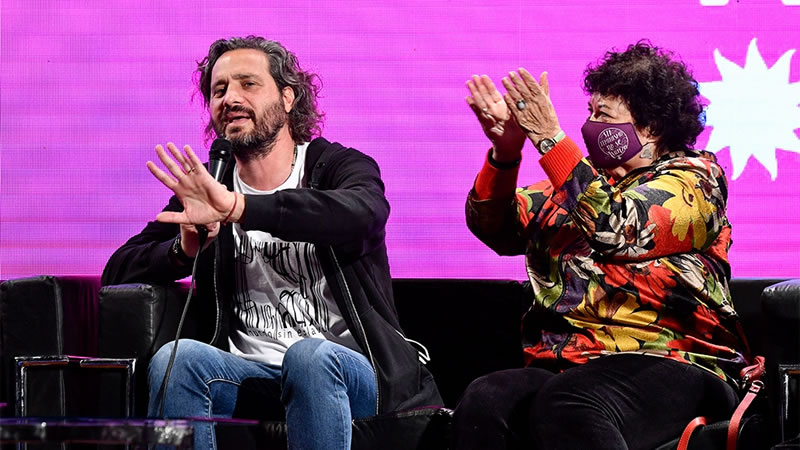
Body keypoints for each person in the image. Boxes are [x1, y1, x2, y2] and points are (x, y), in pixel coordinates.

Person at [102, 36, 441, 450]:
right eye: (219, 90)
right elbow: (117, 270)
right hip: (253, 376)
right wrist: (183, 250)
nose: (230, 98)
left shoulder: (335, 167)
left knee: (309, 357)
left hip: (351, 371)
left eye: (248, 84)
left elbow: (361, 215)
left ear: (287, 97)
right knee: (179, 360)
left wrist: (240, 207)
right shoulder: (210, 187)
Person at [454, 41, 749, 449]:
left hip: (674, 360)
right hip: (571, 363)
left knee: (570, 402)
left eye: (603, 115)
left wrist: (549, 138)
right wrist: (505, 154)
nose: (590, 125)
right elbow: (496, 228)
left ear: (651, 127)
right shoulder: (581, 184)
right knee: (486, 400)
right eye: (589, 112)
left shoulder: (695, 181)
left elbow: (618, 229)